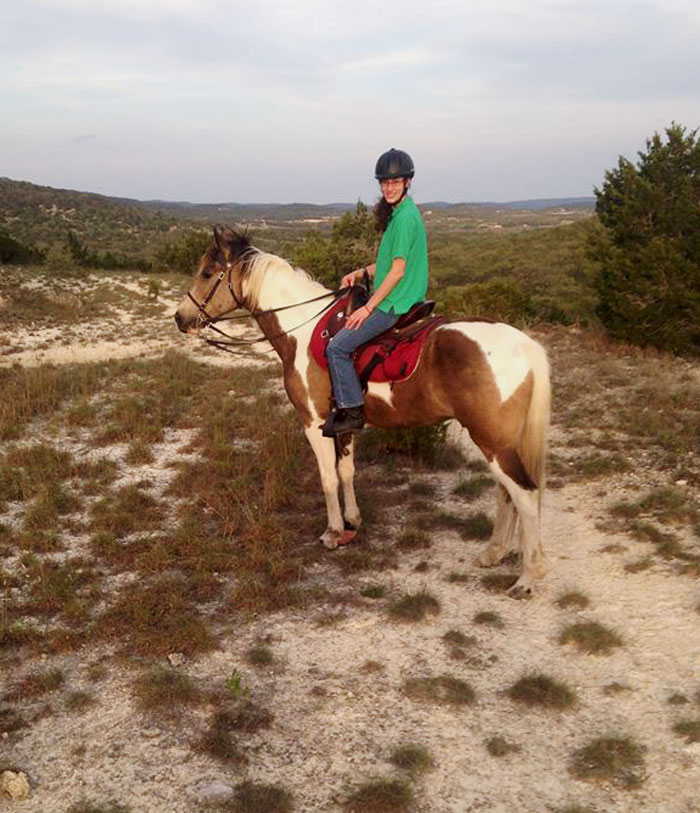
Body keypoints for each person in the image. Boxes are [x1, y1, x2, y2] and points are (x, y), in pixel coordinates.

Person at [322, 148, 429, 437]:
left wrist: (368, 308)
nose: (389, 187)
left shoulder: (404, 219)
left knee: (337, 347)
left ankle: (352, 410)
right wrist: (361, 272)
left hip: (394, 303)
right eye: (384, 182)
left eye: (395, 182)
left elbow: (397, 271)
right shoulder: (402, 213)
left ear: (407, 182)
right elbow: (385, 264)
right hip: (400, 295)